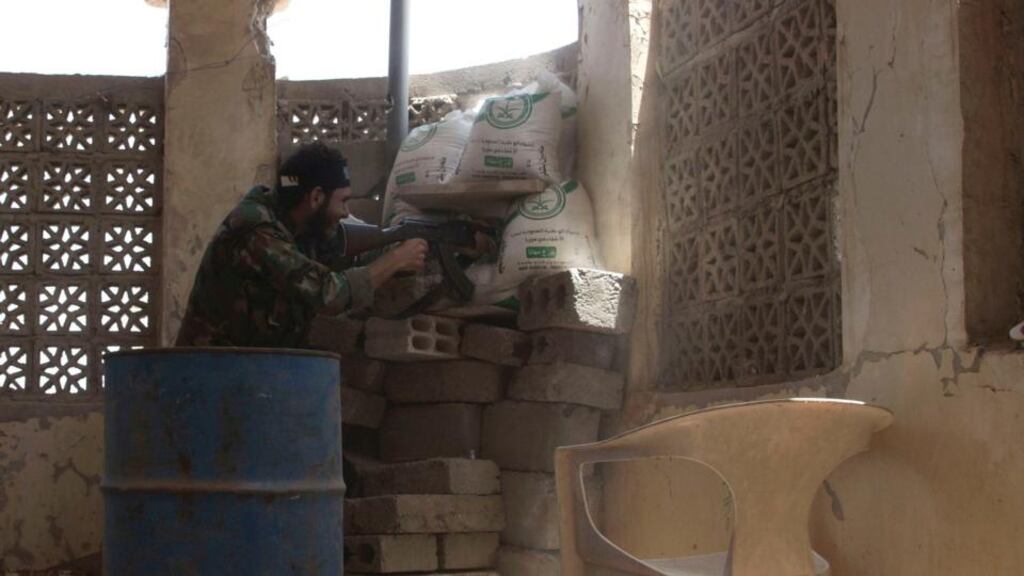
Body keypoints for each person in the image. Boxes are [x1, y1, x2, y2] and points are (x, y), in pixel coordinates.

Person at [175, 142, 427, 347]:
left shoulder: (303, 226)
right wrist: (395, 260)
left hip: (250, 370)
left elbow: (348, 256)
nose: (345, 212)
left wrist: (406, 245)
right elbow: (328, 295)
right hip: (209, 372)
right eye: (343, 201)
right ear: (316, 197)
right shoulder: (257, 230)